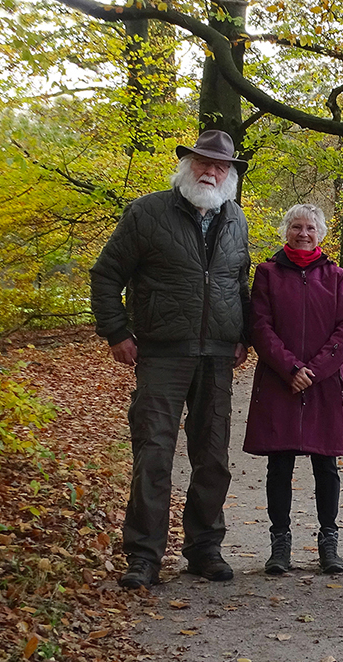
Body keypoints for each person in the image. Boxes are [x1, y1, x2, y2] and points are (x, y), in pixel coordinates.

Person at [90, 129, 251, 590]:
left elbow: (238, 285)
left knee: (213, 458)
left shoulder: (235, 219)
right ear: (187, 166)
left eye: (220, 166)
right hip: (161, 354)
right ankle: (143, 557)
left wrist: (243, 337)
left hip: (217, 358)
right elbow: (105, 276)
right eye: (203, 162)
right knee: (154, 455)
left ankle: (205, 549)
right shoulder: (146, 213)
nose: (211, 171)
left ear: (229, 175)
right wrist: (117, 332)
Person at [243, 204, 343, 575]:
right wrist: (290, 368)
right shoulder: (267, 274)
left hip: (323, 384)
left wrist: (316, 370)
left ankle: (328, 541)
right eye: (296, 227)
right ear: (286, 231)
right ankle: (280, 543)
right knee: (280, 464)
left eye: (310, 227)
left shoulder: (336, 276)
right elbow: (260, 325)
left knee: (326, 465)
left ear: (320, 233)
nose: (303, 233)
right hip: (281, 382)